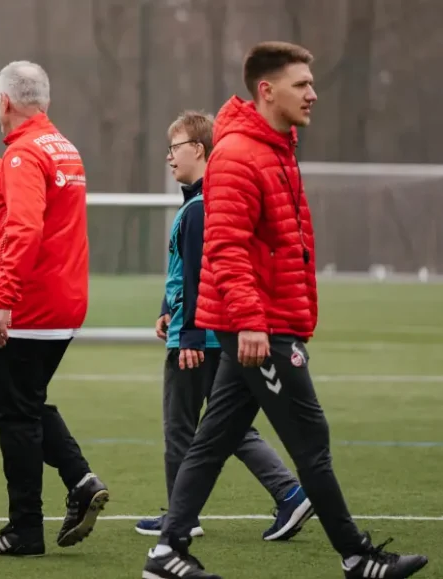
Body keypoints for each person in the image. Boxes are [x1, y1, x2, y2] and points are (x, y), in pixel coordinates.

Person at [141, 42, 429, 579]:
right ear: (267, 90)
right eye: (302, 84)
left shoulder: (275, 147)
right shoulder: (238, 155)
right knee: (310, 441)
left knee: (214, 437)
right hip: (260, 328)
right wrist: (251, 321)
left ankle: (166, 552)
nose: (313, 93)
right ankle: (357, 557)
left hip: (269, 323)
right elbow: (224, 247)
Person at [135, 111, 312, 542]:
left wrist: (189, 333)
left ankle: (182, 516)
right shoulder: (201, 203)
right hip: (212, 333)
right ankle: (289, 492)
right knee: (226, 425)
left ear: (198, 149)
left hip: (198, 337)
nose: (168, 158)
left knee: (180, 425)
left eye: (174, 149)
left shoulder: (199, 208)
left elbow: (201, 274)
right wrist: (166, 306)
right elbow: (184, 270)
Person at [0, 60, 109, 557]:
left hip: (30, 305)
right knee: (27, 402)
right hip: (64, 303)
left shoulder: (25, 155)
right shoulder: (58, 148)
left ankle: (25, 529)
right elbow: (9, 179)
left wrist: (1, 301)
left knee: (14, 414)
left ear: (4, 103)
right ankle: (80, 480)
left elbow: (24, 227)